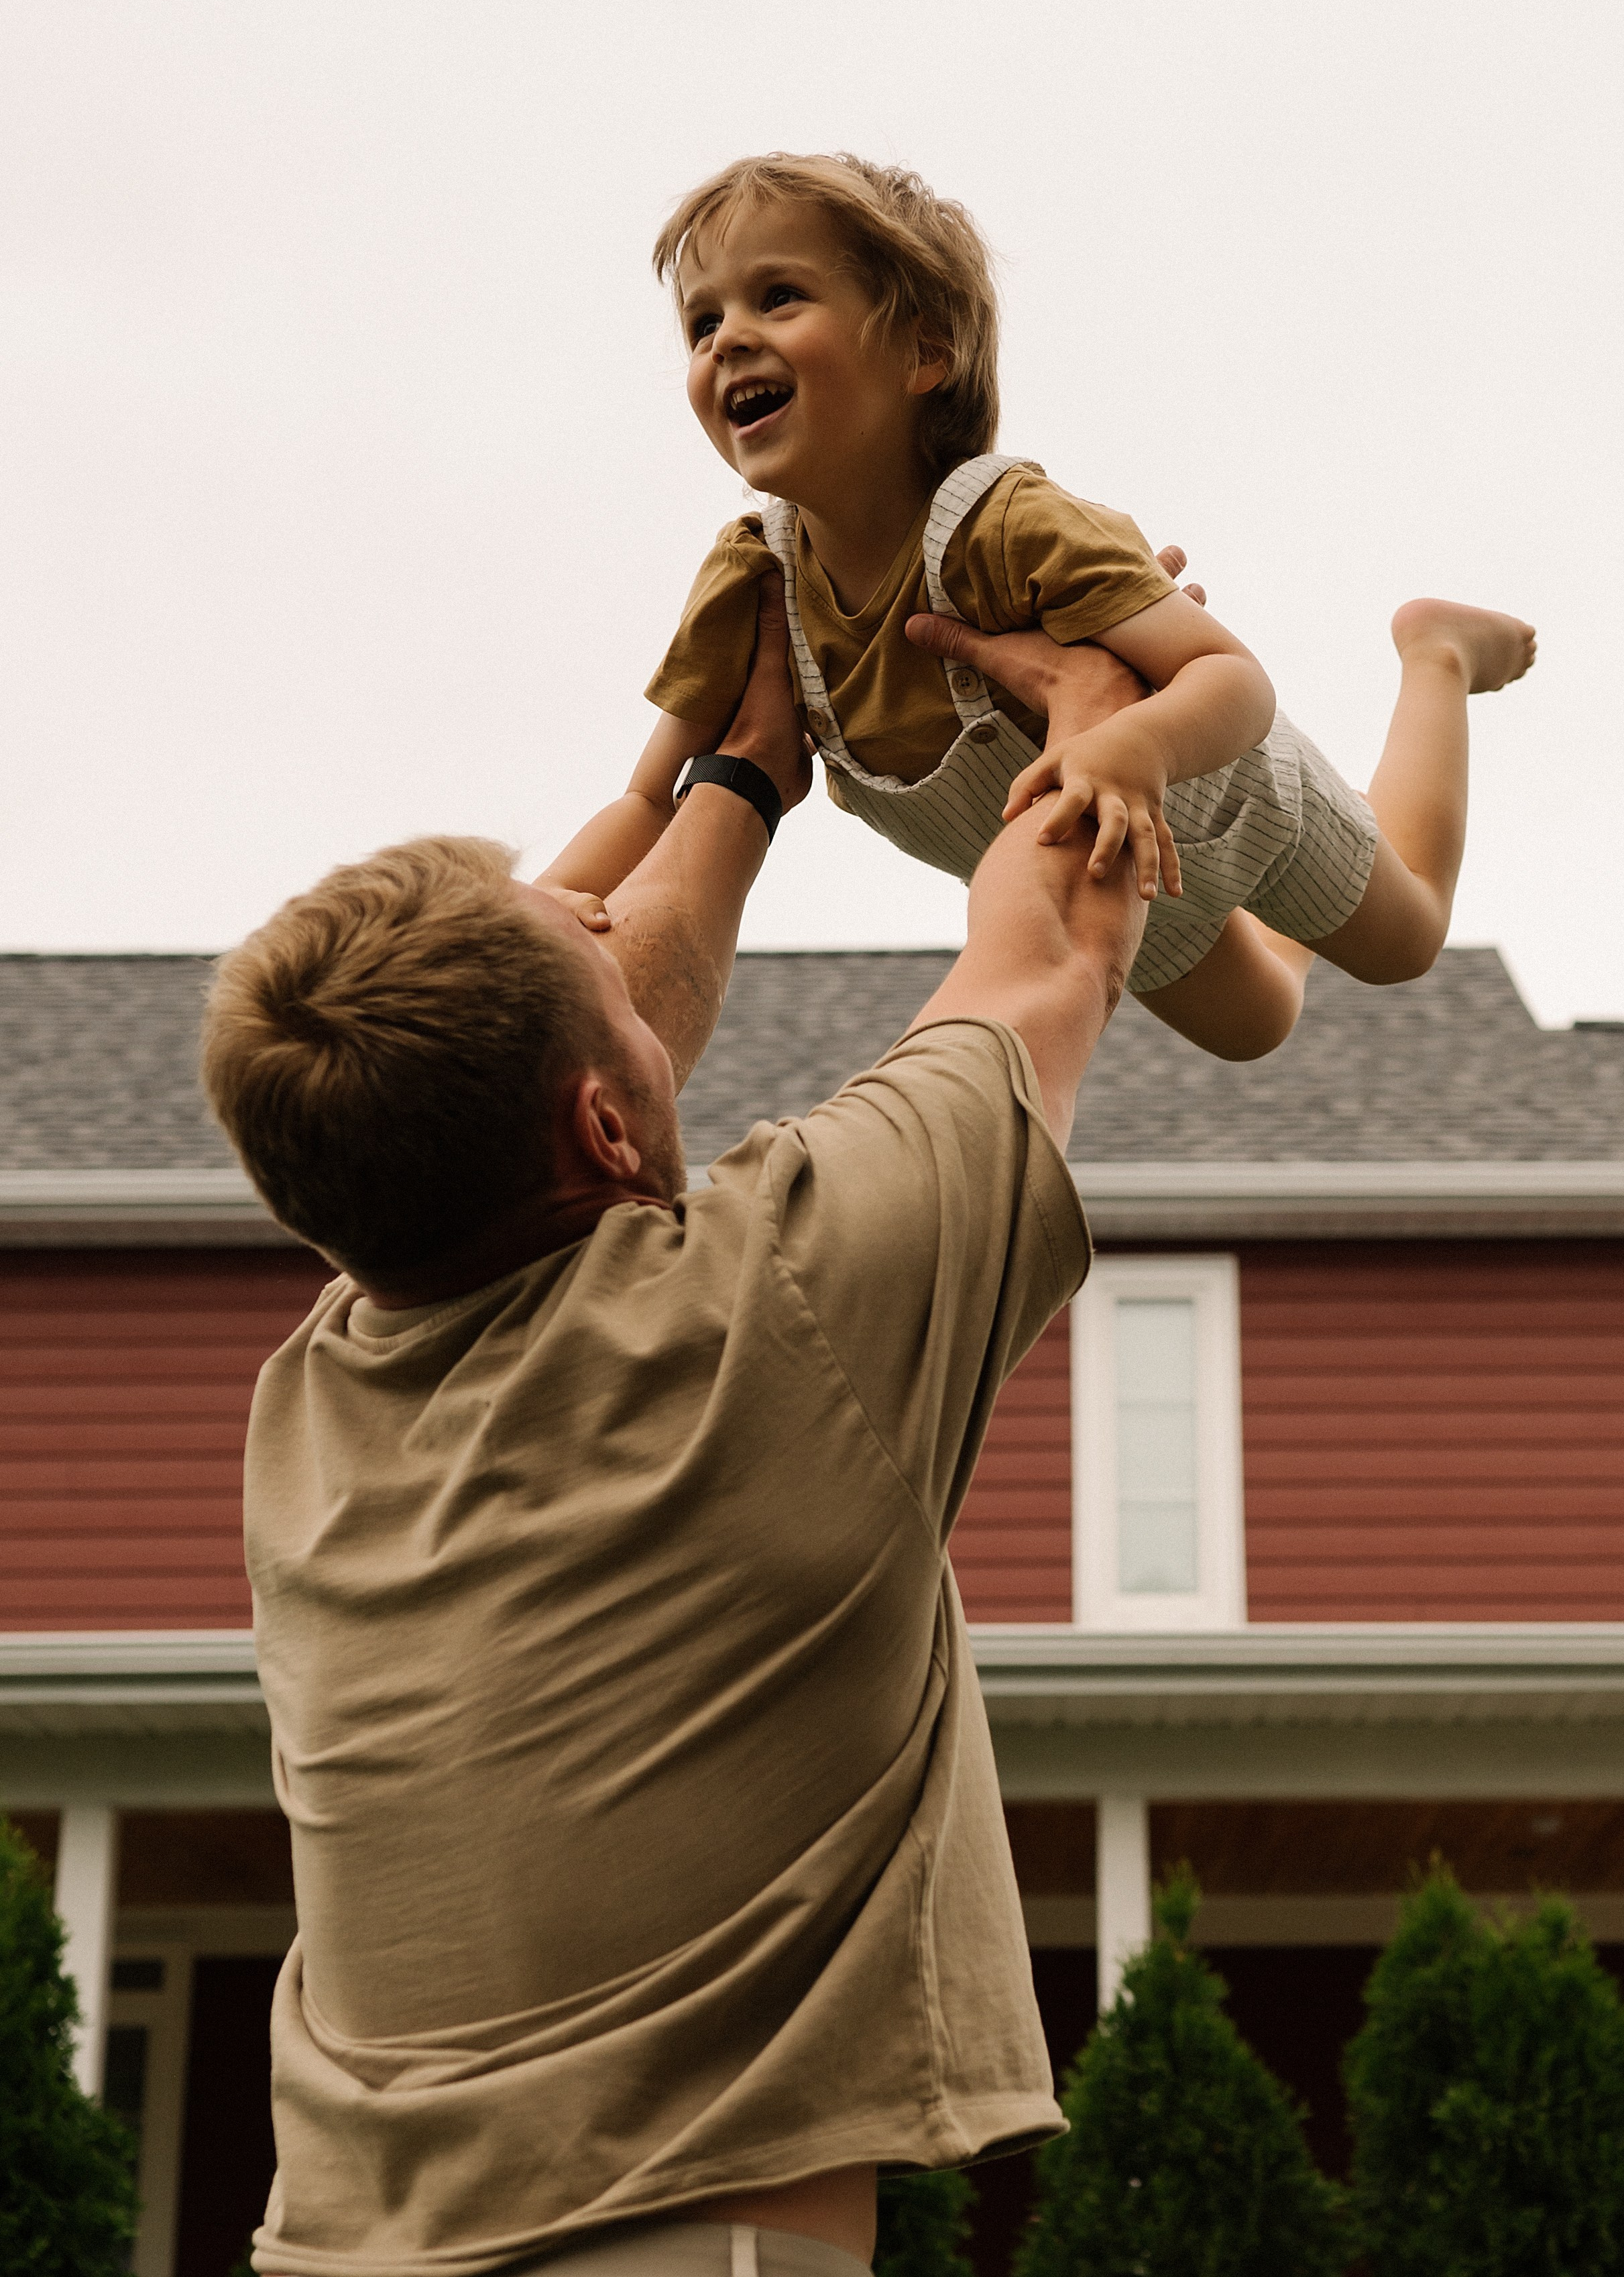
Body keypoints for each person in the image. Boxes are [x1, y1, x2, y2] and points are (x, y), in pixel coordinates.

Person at [200, 583, 1151, 2276]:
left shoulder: (319, 1409)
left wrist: (734, 771)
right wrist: (1094, 705)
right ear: (602, 1119)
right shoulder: (779, 1306)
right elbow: (1058, 943)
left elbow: (538, 1058)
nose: (627, 954)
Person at [548, 152, 1535, 1062]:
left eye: (778, 296)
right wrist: (536, 914)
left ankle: (1434, 654)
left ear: (922, 353)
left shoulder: (1004, 525)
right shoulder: (755, 583)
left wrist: (1135, 749)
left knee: (1406, 939)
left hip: (1228, 795)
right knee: (1259, 1023)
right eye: (702, 322)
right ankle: (1294, 897)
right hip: (1128, 880)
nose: (730, 340)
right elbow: (649, 798)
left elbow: (1232, 680)